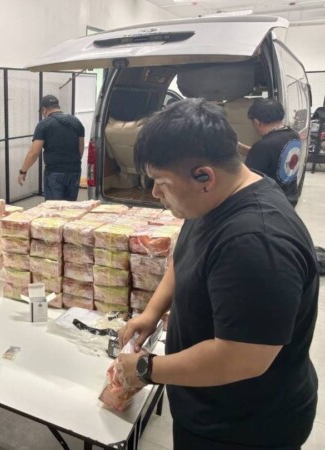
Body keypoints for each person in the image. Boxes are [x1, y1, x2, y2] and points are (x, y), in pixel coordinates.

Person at [117, 99, 318, 450]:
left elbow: (241, 358)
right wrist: (152, 312)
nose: (155, 193)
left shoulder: (255, 243)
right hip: (210, 405)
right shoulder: (216, 199)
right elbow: (184, 257)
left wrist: (146, 369)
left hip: (244, 428)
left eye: (161, 182)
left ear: (204, 176)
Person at [17, 94, 85, 200]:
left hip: (55, 172)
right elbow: (80, 149)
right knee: (70, 207)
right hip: (74, 171)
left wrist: (23, 171)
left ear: (44, 110)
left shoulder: (44, 124)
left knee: (53, 207)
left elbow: (34, 152)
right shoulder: (76, 122)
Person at [238, 98, 301, 206]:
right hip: (289, 198)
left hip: (270, 204)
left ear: (256, 122)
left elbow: (247, 181)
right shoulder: (294, 136)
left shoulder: (263, 146)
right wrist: (238, 146)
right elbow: (270, 157)